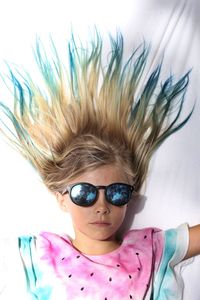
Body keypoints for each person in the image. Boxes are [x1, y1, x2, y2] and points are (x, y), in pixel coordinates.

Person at [0, 33, 199, 300]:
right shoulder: (36, 254)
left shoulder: (152, 247)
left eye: (117, 193)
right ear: (62, 199)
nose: (102, 206)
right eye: (85, 193)